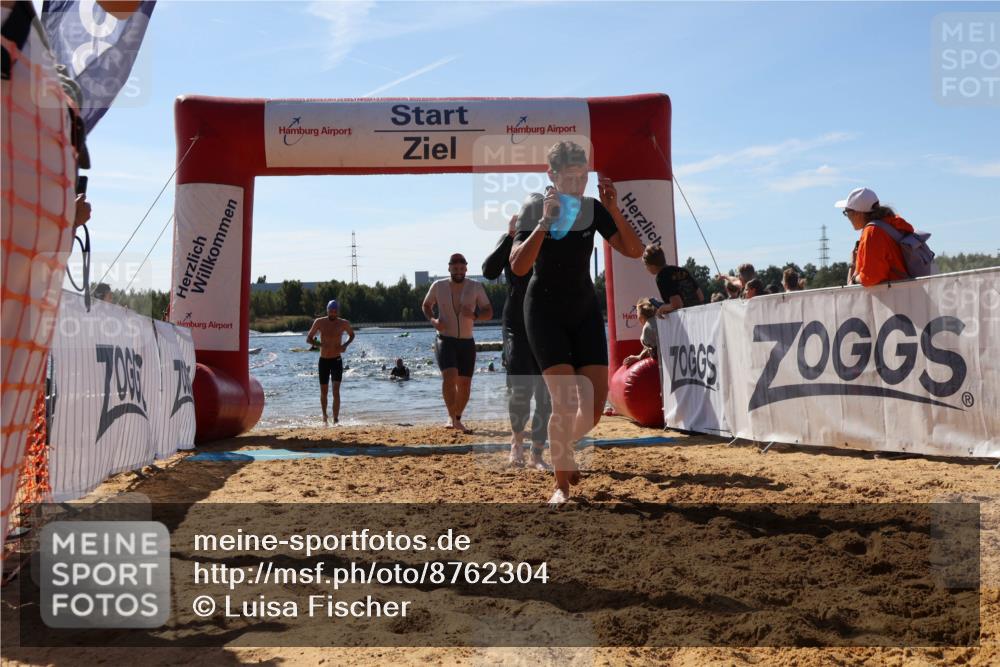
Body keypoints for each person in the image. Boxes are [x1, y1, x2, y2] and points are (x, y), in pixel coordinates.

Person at [510, 140, 644, 504]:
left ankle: (560, 446)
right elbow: (519, 266)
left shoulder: (593, 208)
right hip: (544, 312)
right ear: (552, 175)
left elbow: (634, 251)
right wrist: (543, 223)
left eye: (581, 177)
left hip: (583, 310)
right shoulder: (535, 207)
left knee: (595, 409)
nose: (576, 185)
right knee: (564, 403)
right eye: (569, 178)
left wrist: (614, 210)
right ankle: (560, 486)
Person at [483, 214, 552, 469]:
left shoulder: (550, 237)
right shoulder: (511, 240)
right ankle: (516, 443)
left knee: (547, 393)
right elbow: (489, 271)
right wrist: (509, 236)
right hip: (515, 322)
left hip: (545, 320)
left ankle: (537, 453)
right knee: (520, 387)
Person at [422, 253, 493, 433]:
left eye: (461, 269)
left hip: (467, 342)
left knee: (465, 384)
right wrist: (434, 321)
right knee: (450, 376)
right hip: (445, 339)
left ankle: (457, 417)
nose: (458, 272)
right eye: (455, 269)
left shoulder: (475, 287)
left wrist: (475, 315)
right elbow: (426, 305)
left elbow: (489, 311)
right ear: (449, 268)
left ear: (466, 269)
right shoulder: (438, 286)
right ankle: (452, 417)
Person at [836, 187, 912, 286]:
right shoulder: (891, 223)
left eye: (847, 212)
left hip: (894, 297)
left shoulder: (872, 232)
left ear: (857, 213)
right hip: (908, 292)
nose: (847, 216)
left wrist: (854, 279)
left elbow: (871, 276)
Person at [305, 299, 355, 424]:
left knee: (336, 390)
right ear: (327, 310)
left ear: (337, 311)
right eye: (331, 311)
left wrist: (345, 345)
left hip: (337, 360)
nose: (333, 313)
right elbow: (308, 338)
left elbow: (352, 335)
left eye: (335, 311)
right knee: (324, 391)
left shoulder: (343, 323)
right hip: (324, 361)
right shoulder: (320, 322)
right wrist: (319, 344)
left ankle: (336, 419)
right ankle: (324, 416)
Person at [641, 244, 704, 316]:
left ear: (652, 265)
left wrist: (662, 309)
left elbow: (677, 304)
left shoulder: (662, 277)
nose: (646, 268)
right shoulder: (682, 271)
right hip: (699, 315)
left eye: (646, 265)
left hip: (685, 319)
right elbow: (701, 296)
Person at [623, 299, 659, 367]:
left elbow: (653, 350)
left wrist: (638, 357)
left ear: (641, 317)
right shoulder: (658, 321)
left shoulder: (647, 328)